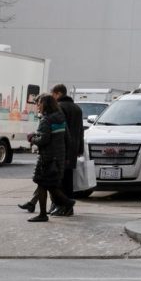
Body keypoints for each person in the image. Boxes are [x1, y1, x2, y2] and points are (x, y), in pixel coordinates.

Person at [18, 94, 75, 221]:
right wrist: (64, 156)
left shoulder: (47, 120)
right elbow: (68, 139)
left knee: (44, 184)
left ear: (45, 105)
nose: (38, 106)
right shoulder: (61, 119)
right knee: (48, 185)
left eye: (39, 104)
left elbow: (44, 139)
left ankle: (48, 212)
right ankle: (64, 203)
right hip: (58, 158)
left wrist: (31, 138)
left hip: (47, 159)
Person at [51, 83, 84, 212]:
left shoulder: (58, 107)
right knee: (68, 179)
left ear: (58, 93)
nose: (52, 96)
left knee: (58, 179)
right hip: (74, 149)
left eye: (53, 94)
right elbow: (81, 130)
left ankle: (61, 205)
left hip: (61, 148)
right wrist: (80, 148)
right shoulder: (77, 108)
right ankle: (66, 207)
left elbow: (61, 130)